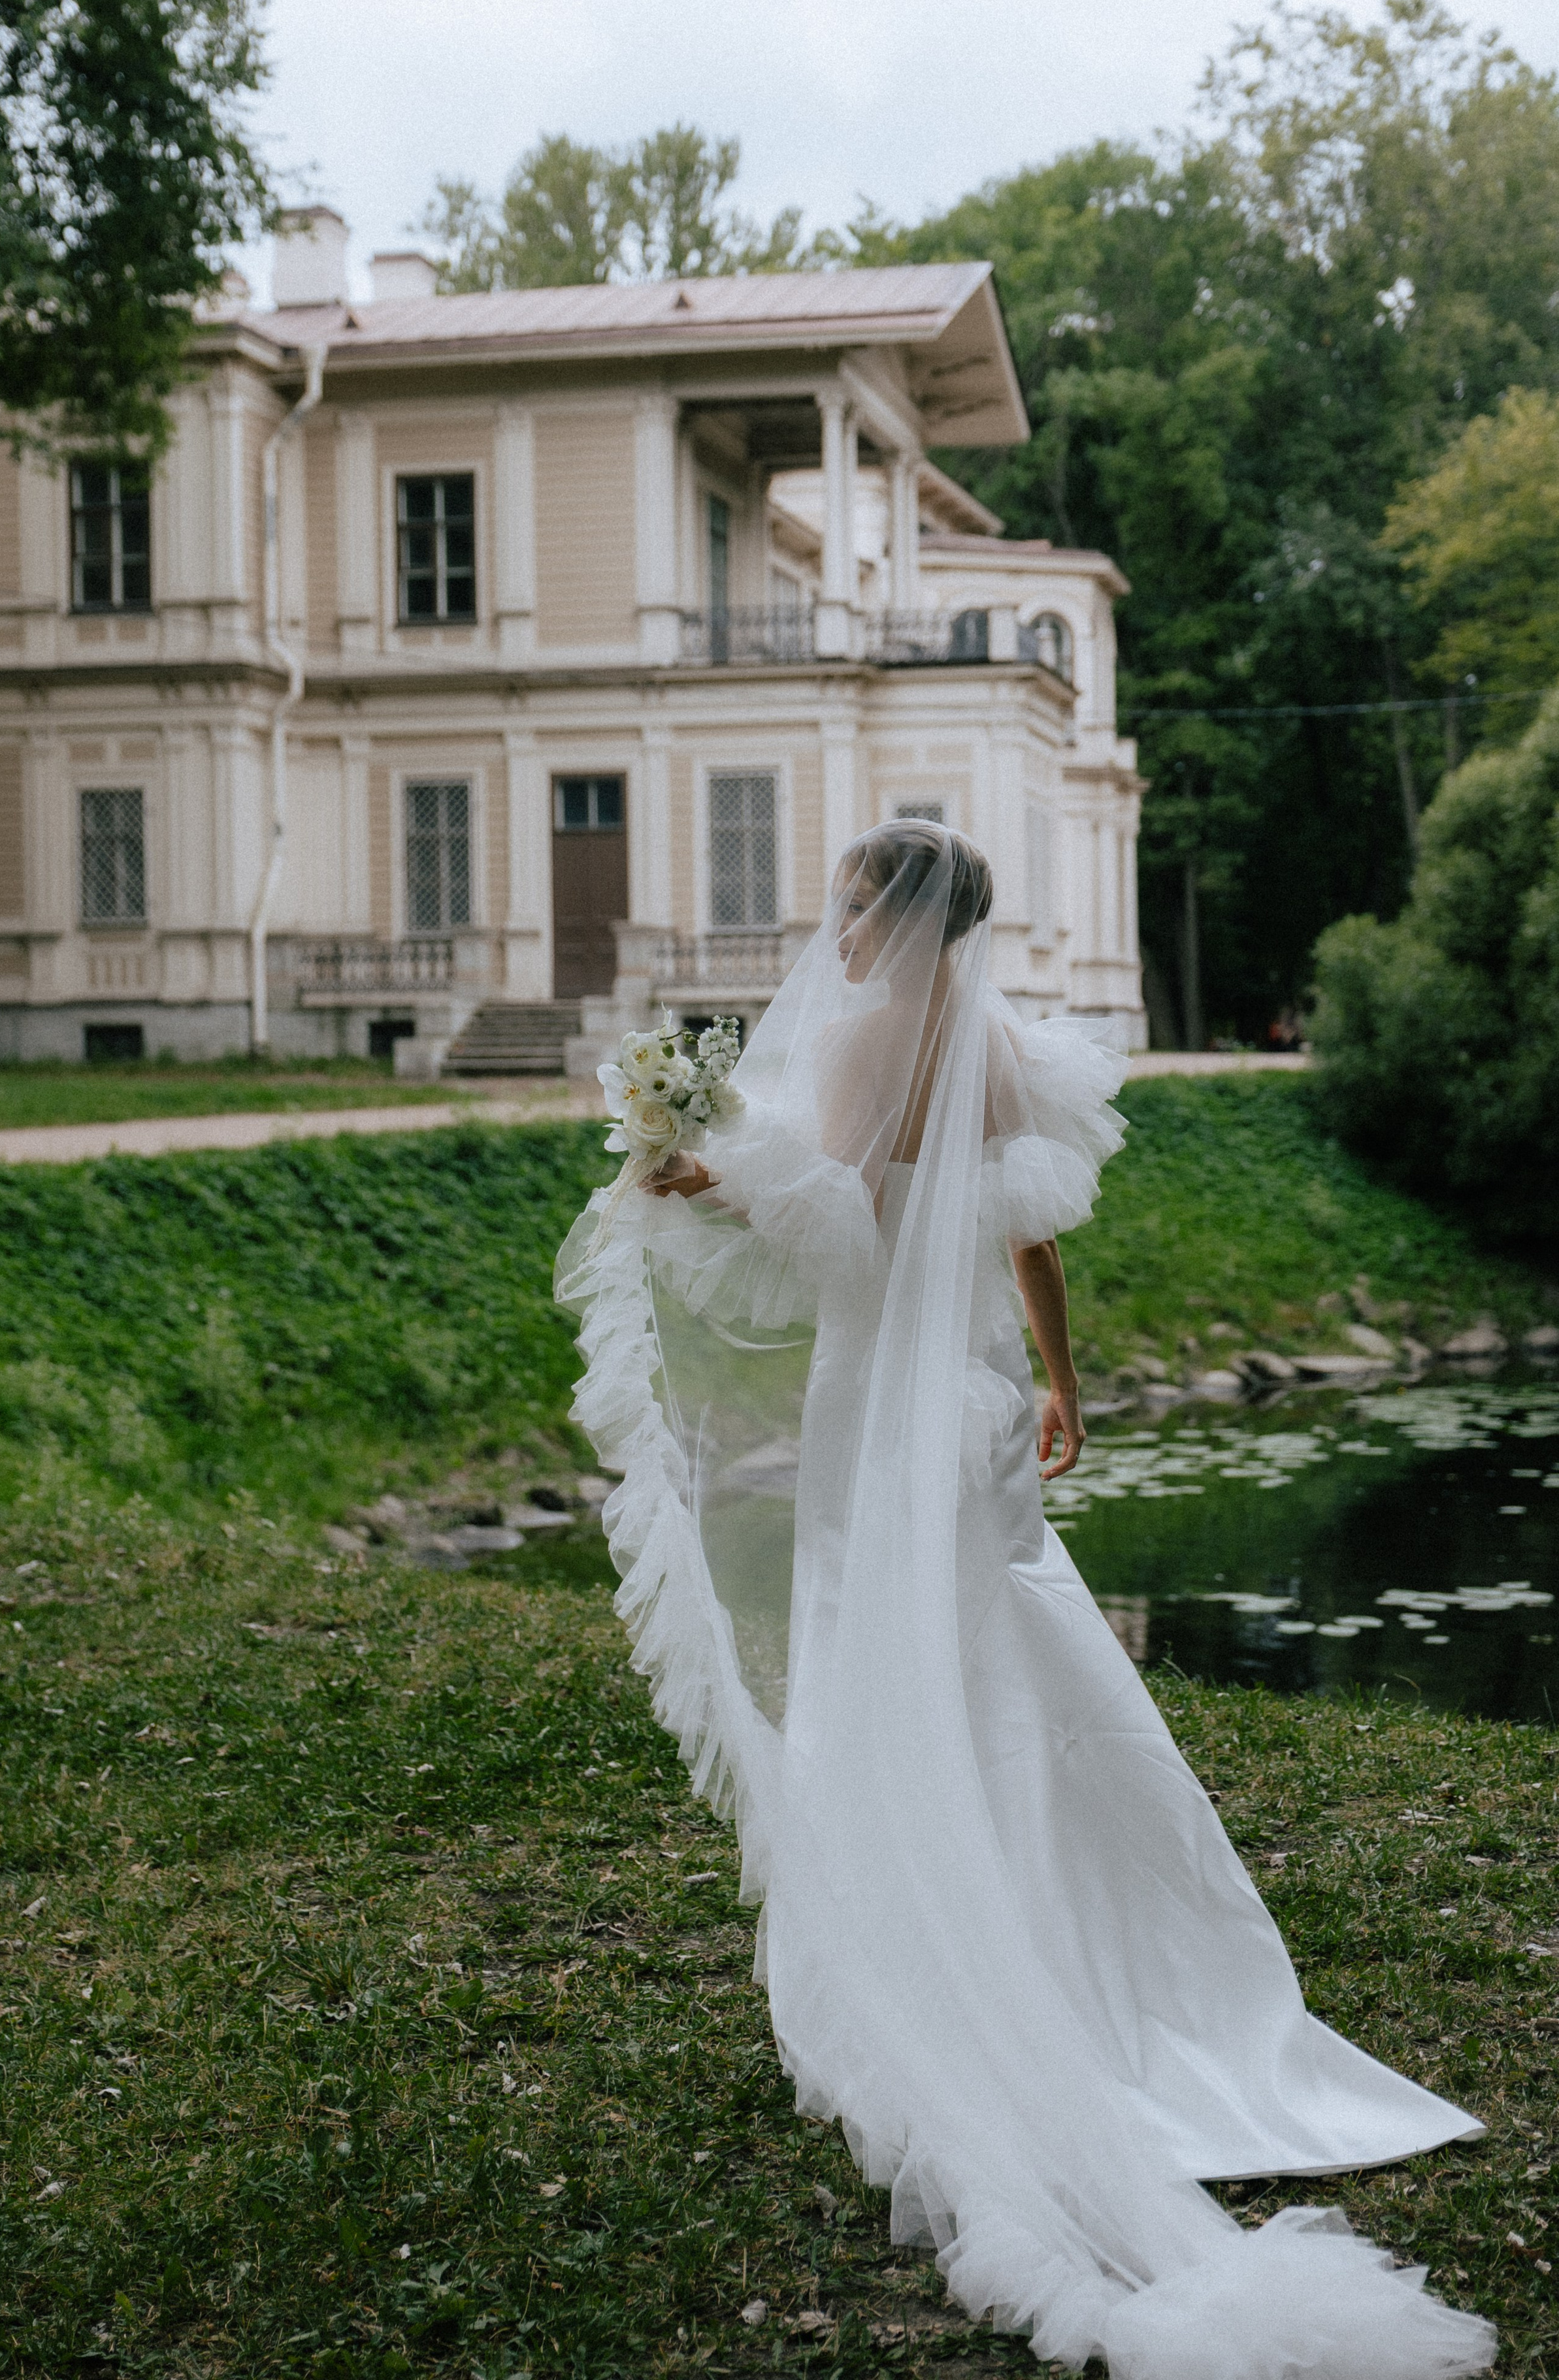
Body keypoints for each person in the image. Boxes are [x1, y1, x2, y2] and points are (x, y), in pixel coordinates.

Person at [555, 821, 1493, 2380]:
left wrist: (692, 1175)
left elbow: (832, 1225)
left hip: (893, 1407)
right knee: (1012, 1644)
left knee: (894, 1659)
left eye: (850, 907)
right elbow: (1026, 1233)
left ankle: (947, 1945)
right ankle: (1123, 1949)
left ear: (894, 918)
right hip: (981, 1398)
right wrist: (1061, 1383)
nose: (835, 934)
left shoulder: (861, 1047)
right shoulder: (1001, 1043)